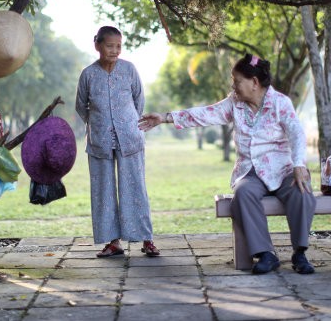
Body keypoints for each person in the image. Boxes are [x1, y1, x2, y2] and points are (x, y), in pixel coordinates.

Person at [139, 54, 316, 274]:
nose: (233, 85)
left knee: (302, 191)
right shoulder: (235, 103)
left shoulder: (281, 102)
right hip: (250, 171)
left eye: (237, 80)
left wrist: (299, 164)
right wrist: (165, 117)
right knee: (243, 194)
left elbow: (297, 133)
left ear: (254, 82)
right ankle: (265, 254)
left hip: (282, 169)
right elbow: (205, 114)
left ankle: (300, 253)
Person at [75, 26, 160, 258]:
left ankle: (146, 239)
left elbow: (138, 101)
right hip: (99, 141)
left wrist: (127, 123)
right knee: (103, 191)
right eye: (110, 46)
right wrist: (98, 125)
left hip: (130, 138)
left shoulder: (129, 70)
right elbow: (81, 106)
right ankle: (113, 242)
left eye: (119, 46)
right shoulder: (88, 74)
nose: (115, 51)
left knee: (135, 188)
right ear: (97, 46)